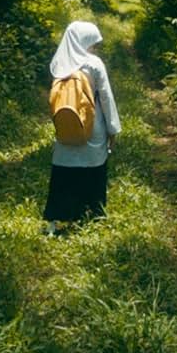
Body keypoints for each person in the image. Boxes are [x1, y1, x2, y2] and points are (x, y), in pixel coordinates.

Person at [43, 20, 121, 236]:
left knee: (63, 171)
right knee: (93, 170)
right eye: (92, 43)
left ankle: (55, 220)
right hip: (92, 126)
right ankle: (92, 215)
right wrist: (113, 129)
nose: (93, 48)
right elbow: (106, 98)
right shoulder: (94, 64)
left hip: (67, 125)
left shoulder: (59, 63)